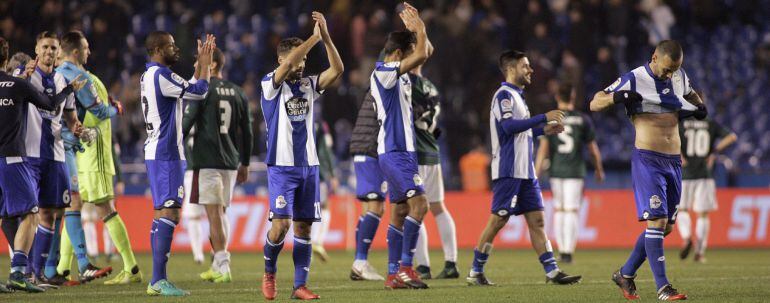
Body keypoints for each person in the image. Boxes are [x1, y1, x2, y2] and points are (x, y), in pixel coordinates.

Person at [590, 39, 707, 301]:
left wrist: (699, 106)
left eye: (674, 70)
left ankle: (625, 273)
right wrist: (617, 97)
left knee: (665, 228)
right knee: (657, 222)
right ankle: (664, 288)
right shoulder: (634, 78)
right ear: (654, 57)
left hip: (674, 162)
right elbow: (594, 103)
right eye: (666, 69)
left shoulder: (679, 76)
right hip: (648, 159)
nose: (669, 74)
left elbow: (690, 93)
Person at [466, 50, 580, 287]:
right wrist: (542, 118)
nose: (531, 70)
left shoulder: (518, 96)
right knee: (498, 219)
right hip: (508, 169)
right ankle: (475, 271)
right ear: (511, 69)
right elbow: (508, 128)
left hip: (526, 171)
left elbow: (521, 131)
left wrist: (543, 130)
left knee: (537, 220)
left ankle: (552, 271)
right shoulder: (503, 96)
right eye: (525, 66)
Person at [259, 11, 343, 300]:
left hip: (309, 165)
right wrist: (313, 38)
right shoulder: (270, 84)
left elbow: (338, 70)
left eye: (306, 60)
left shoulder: (308, 86)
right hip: (282, 167)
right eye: (298, 60)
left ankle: (299, 286)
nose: (303, 64)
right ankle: (269, 273)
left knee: (304, 227)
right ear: (282, 60)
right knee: (280, 226)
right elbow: (294, 60)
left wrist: (326, 39)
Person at [0, 35, 86, 292]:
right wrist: (69, 90)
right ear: (35, 50)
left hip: (51, 154)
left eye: (53, 48)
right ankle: (20, 271)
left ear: (58, 52)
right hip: (18, 156)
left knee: (39, 212)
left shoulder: (45, 77)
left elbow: (68, 116)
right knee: (30, 213)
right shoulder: (19, 80)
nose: (49, 52)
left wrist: (75, 125)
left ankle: (34, 272)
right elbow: (48, 103)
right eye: (45, 47)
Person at [56, 30, 138, 285]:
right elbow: (101, 111)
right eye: (87, 47)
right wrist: (116, 107)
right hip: (85, 151)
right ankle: (63, 269)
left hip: (81, 150)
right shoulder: (82, 78)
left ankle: (130, 267)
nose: (90, 51)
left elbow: (92, 114)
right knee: (83, 207)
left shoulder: (71, 77)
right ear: (78, 51)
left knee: (87, 206)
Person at [141, 31, 215, 296]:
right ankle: (158, 280)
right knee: (170, 212)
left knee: (162, 211)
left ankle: (156, 279)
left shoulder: (150, 75)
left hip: (156, 151)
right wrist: (206, 65)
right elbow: (199, 91)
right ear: (159, 49)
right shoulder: (161, 74)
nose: (176, 49)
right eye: (172, 46)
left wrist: (199, 66)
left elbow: (185, 87)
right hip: (167, 153)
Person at [370, 3, 432, 289]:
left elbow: (425, 52)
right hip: (394, 151)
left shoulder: (399, 73)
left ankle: (394, 274)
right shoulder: (383, 71)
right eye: (406, 55)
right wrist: (419, 29)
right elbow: (420, 52)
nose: (413, 60)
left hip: (402, 151)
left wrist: (418, 31)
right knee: (420, 205)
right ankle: (407, 267)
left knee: (400, 211)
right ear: (397, 55)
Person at [183, 47, 253, 283]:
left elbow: (187, 122)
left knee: (213, 215)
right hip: (231, 163)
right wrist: (245, 162)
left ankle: (223, 264)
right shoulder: (238, 92)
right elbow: (248, 131)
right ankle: (217, 263)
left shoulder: (203, 90)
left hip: (208, 160)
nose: (196, 65)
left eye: (200, 62)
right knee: (221, 213)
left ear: (211, 65)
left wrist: (173, 144)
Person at [535, 83, 604, 264]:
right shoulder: (583, 119)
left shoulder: (552, 119)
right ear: (573, 96)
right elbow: (593, 150)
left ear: (557, 97)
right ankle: (568, 251)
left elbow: (543, 150)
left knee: (559, 210)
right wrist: (599, 170)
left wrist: (536, 173)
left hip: (556, 170)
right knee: (572, 211)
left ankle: (562, 250)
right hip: (575, 171)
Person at [410, 60, 459, 280]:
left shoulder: (407, 83)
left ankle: (423, 266)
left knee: (414, 211)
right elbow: (437, 127)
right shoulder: (432, 86)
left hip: (415, 154)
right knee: (439, 207)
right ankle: (451, 262)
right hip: (432, 151)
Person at [677, 115, 736, 263]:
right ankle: (699, 252)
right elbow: (732, 137)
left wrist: (679, 154)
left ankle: (686, 237)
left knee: (681, 210)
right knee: (702, 215)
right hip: (704, 173)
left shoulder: (682, 123)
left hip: (685, 174)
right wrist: (714, 151)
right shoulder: (710, 123)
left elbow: (669, 138)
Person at [349, 92, 387, 281]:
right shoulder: (387, 87)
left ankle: (360, 261)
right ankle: (360, 262)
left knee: (369, 209)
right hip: (370, 150)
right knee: (376, 206)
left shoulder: (375, 89)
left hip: (362, 149)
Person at [310, 120, 337, 262]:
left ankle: (307, 244)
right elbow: (326, 150)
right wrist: (332, 173)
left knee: (308, 209)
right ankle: (317, 241)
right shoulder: (321, 125)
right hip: (318, 172)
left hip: (299, 171)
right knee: (324, 207)